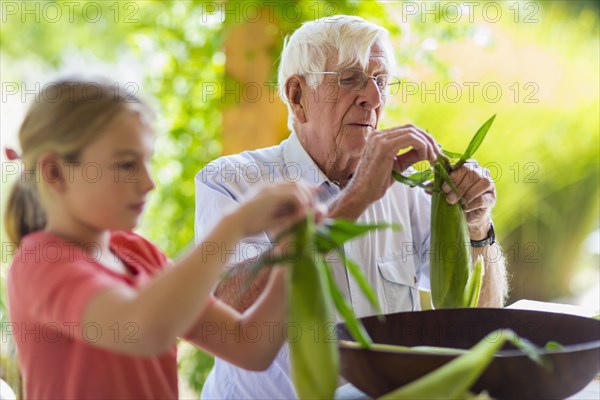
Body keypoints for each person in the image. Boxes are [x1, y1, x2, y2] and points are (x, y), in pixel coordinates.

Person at [195, 15, 508, 399]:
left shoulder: (408, 191)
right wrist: (355, 200)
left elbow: (475, 318)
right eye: (350, 78)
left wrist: (477, 229)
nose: (373, 98)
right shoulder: (232, 181)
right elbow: (221, 314)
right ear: (297, 95)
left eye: (380, 81)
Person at [4, 79, 320, 399]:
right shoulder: (40, 263)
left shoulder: (139, 254)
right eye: (127, 164)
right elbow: (142, 329)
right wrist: (234, 226)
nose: (148, 182)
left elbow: (250, 346)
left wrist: (289, 253)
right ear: (55, 173)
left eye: (147, 161)